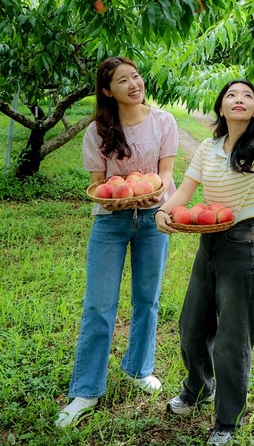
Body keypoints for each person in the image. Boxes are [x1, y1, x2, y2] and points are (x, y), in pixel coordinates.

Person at [155, 30, 254, 446]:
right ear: (220, 105)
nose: (238, 98)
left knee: (233, 336)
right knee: (191, 325)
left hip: (241, 244)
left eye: (247, 96)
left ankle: (227, 421)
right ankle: (199, 386)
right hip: (207, 241)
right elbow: (185, 192)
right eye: (231, 94)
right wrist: (165, 210)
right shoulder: (207, 147)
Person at [57, 57, 178, 428]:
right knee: (99, 304)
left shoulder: (164, 122)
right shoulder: (98, 130)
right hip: (111, 220)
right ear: (108, 90)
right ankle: (87, 389)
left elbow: (166, 172)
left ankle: (140, 368)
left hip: (153, 217)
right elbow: (99, 184)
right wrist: (122, 198)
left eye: (136, 76)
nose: (133, 84)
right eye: (122, 80)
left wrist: (152, 193)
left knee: (148, 298)